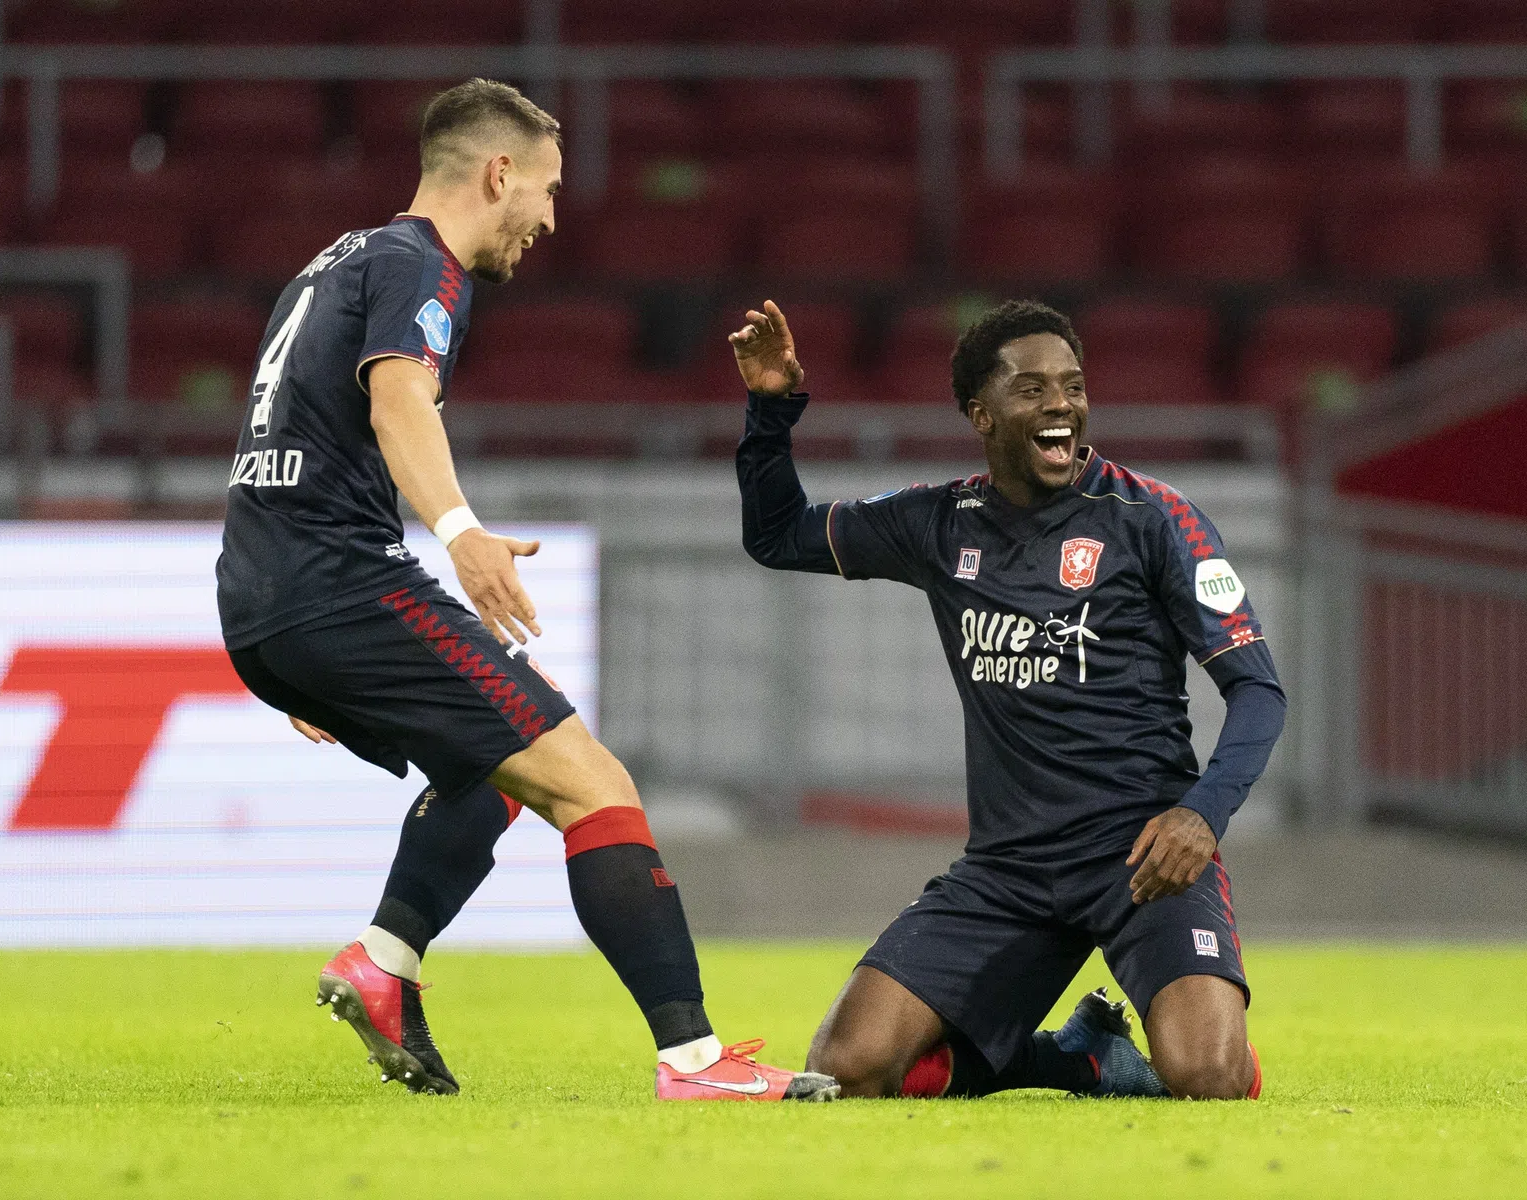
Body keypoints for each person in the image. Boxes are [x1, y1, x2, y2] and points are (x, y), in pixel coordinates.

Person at [215, 79, 836, 1102]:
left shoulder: (336, 260)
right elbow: (397, 394)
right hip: (339, 585)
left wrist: (291, 650)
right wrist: (458, 533)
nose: (550, 217)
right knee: (594, 784)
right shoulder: (424, 266)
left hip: (268, 591)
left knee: (496, 770)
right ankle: (692, 1061)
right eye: (545, 190)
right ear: (497, 173)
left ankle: (383, 962)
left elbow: (276, 439)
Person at [731, 299, 1286, 1100]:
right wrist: (771, 408)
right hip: (1010, 867)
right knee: (845, 1068)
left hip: (1141, 859)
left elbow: (1258, 691)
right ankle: (1076, 1058)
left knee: (1205, 1075)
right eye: (1032, 390)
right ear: (981, 414)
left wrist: (1201, 815)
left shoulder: (1155, 519)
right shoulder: (939, 522)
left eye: (1073, 384)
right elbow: (777, 536)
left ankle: (1191, 1044)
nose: (1061, 403)